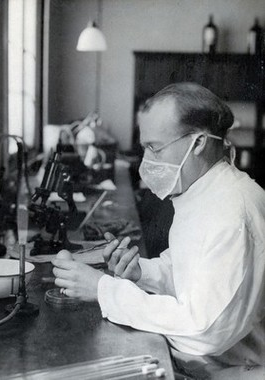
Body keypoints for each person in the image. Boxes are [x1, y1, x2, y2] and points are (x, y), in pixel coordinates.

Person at [52, 83, 265, 379]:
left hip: (234, 370)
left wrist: (104, 289)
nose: (147, 161)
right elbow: (189, 270)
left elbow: (205, 329)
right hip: (209, 362)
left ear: (199, 142)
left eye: (155, 148)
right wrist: (142, 273)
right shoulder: (202, 191)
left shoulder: (233, 211)